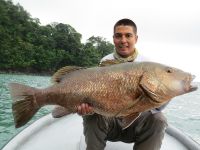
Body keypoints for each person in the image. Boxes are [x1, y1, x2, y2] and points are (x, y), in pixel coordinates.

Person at [77, 18, 168, 150]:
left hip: (135, 123)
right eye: (118, 36)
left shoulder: (148, 65)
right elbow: (95, 93)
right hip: (110, 121)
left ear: (136, 38)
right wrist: (86, 107)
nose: (123, 40)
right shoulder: (105, 61)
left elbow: (156, 106)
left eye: (128, 35)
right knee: (91, 115)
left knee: (159, 119)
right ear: (113, 38)